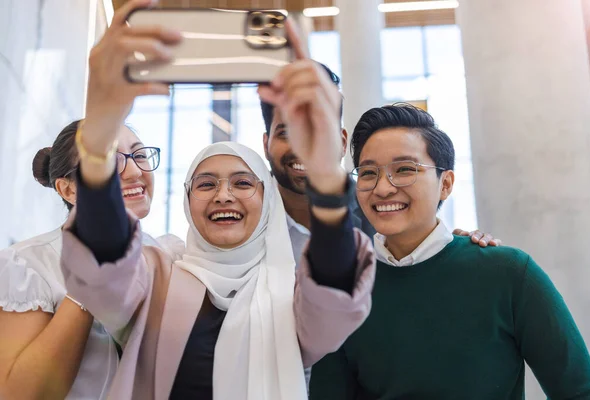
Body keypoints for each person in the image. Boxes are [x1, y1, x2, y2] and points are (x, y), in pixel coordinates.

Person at [58, 2, 375, 399]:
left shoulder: (293, 285)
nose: (224, 195)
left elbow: (334, 306)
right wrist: (98, 139)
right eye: (205, 184)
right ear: (188, 201)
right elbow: (103, 272)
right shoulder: (157, 272)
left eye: (243, 183)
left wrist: (327, 178)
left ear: (266, 204)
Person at [308, 103, 590, 399]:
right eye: (369, 173)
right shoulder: (345, 289)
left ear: (445, 184)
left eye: (405, 169)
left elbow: (579, 392)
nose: (383, 188)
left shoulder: (508, 273)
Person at [258, 62, 500, 265]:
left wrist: (460, 249)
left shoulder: (380, 209)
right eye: (287, 133)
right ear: (266, 143)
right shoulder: (240, 213)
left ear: (342, 142)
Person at [0, 120, 162, 399]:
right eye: (109, 161)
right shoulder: (28, 264)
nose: (135, 171)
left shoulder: (164, 257)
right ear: (69, 191)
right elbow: (20, 394)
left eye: (139, 155)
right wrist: (88, 282)